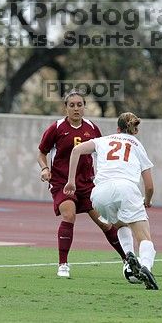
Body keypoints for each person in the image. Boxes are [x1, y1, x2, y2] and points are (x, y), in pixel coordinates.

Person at [37, 90, 128, 278]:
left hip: (88, 184)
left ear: (84, 107)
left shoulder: (92, 129)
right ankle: (63, 264)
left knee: (105, 223)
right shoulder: (57, 128)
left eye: (79, 105)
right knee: (69, 215)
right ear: (66, 108)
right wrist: (45, 169)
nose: (76, 108)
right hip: (63, 182)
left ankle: (127, 260)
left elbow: (101, 155)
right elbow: (41, 153)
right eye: (72, 105)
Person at [64, 112, 159, 290]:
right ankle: (146, 266)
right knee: (144, 236)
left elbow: (76, 150)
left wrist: (71, 181)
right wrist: (147, 200)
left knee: (120, 224)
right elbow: (150, 186)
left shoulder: (103, 140)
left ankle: (129, 254)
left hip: (100, 192)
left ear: (117, 128)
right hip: (126, 188)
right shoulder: (137, 144)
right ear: (135, 130)